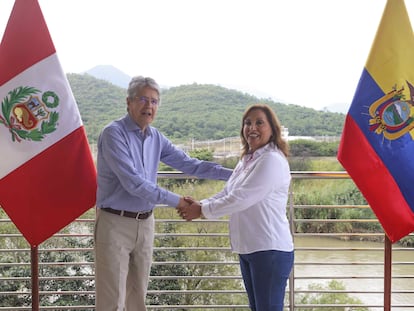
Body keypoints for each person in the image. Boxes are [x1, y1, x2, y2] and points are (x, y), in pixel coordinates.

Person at [94, 75, 232, 311]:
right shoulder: (113, 134)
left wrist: (238, 173)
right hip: (114, 223)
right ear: (128, 102)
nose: (149, 106)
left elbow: (191, 165)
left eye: (154, 101)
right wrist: (178, 201)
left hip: (146, 223)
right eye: (143, 99)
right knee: (112, 302)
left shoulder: (156, 137)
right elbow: (134, 183)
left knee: (138, 300)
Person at [178, 103, 294, 311]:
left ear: (273, 129)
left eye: (260, 122)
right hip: (250, 247)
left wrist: (202, 211)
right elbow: (229, 192)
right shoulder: (247, 160)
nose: (252, 128)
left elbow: (242, 197)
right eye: (247, 123)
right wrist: (201, 204)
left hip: (269, 250)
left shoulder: (272, 160)